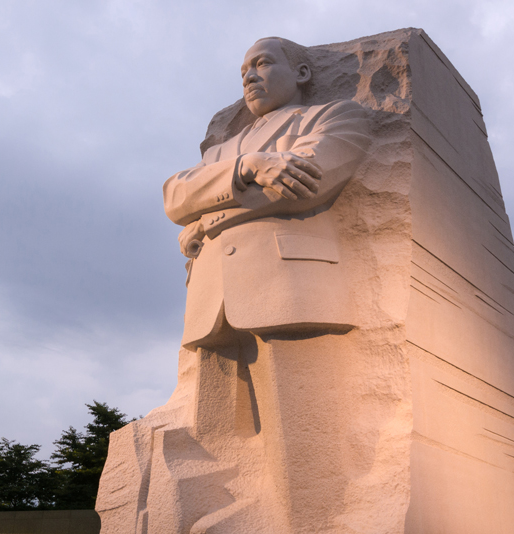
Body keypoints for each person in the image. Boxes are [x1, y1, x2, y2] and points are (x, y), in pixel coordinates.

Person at [97, 37, 380, 534]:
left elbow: (306, 182)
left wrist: (206, 221)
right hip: (213, 301)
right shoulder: (225, 149)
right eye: (243, 69)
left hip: (289, 287)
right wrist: (248, 168)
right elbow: (173, 194)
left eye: (263, 63)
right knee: (213, 436)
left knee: (303, 438)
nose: (249, 76)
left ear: (304, 73)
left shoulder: (336, 117)